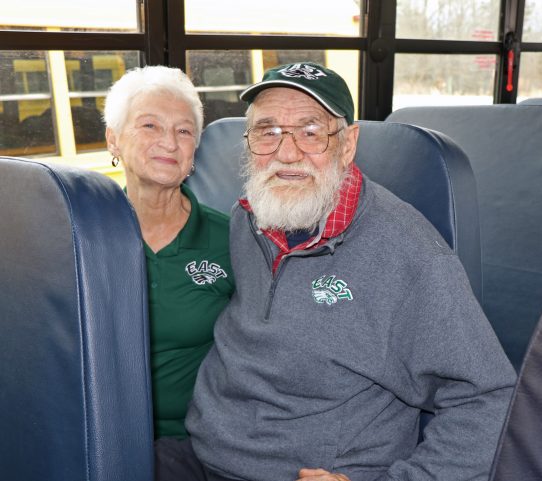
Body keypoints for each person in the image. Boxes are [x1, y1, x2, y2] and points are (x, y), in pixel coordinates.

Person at [164, 62, 516, 481]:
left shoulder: (407, 254)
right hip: (200, 454)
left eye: (311, 132)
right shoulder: (249, 218)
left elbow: (489, 399)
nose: (287, 152)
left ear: (347, 145)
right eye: (268, 131)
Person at [103, 66, 235, 440]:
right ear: (113, 140)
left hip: (195, 441)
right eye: (149, 126)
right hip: (97, 430)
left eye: (184, 131)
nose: (169, 143)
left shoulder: (230, 238)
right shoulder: (84, 236)